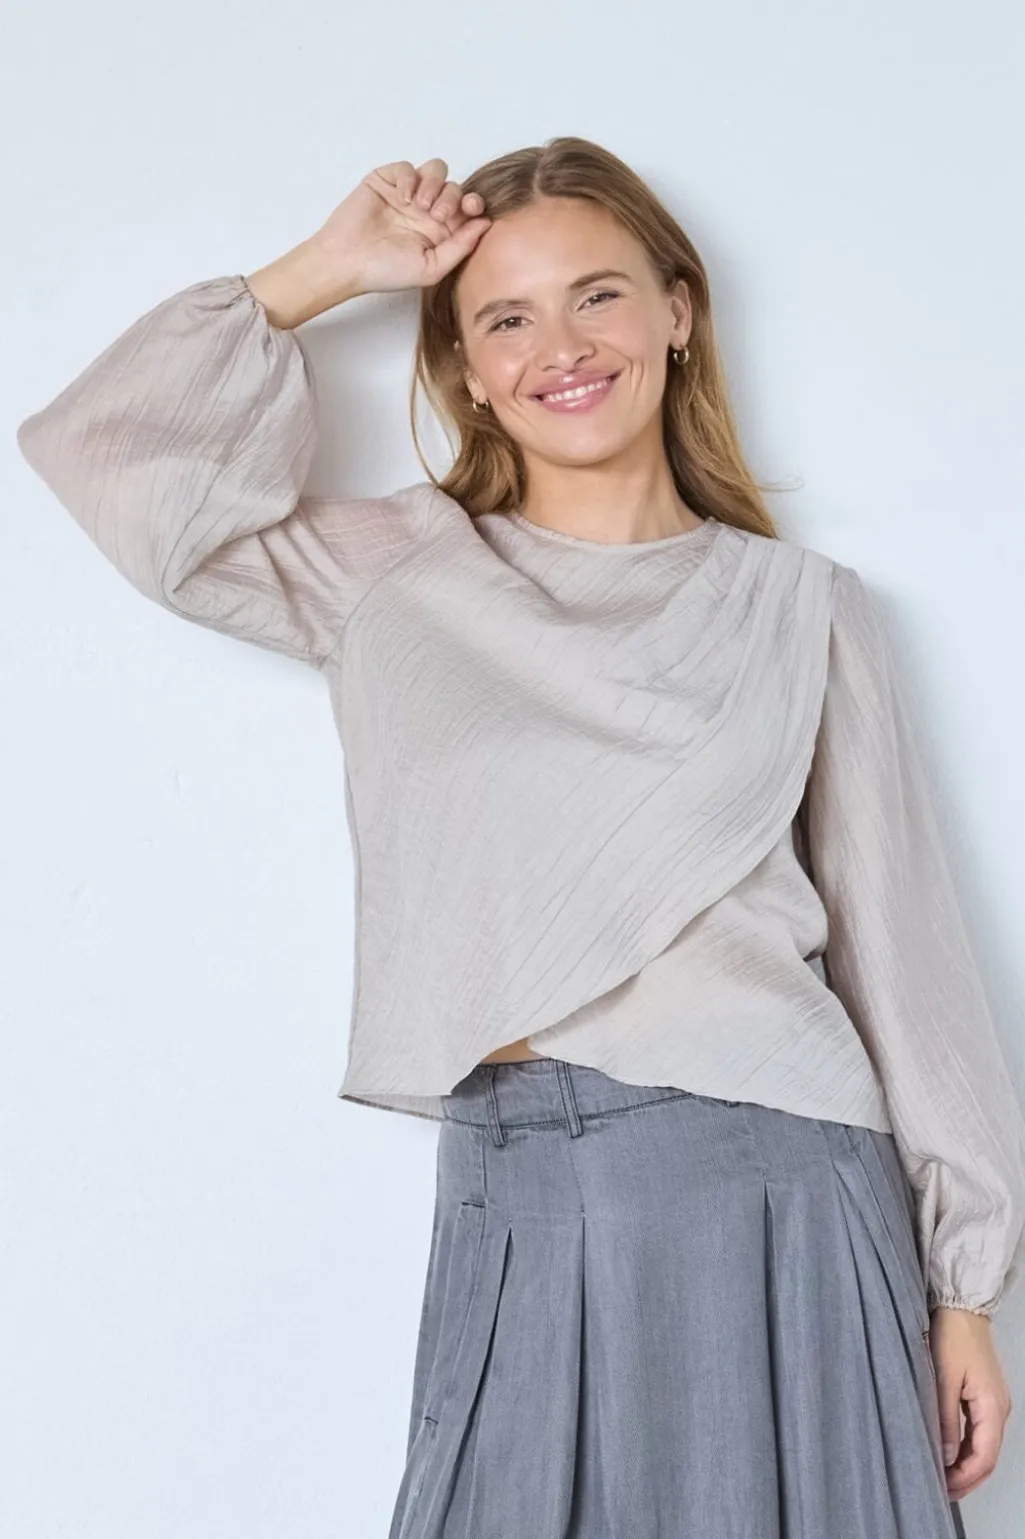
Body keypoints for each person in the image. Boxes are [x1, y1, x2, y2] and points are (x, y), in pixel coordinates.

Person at [16, 135, 1025, 1537]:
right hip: (513, 1183)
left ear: (679, 312)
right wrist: (328, 271)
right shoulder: (395, 572)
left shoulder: (800, 608)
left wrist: (966, 1288)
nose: (562, 347)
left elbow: (905, 951)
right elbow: (120, 466)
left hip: (777, 1189)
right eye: (507, 318)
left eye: (598, 295)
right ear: (465, 371)